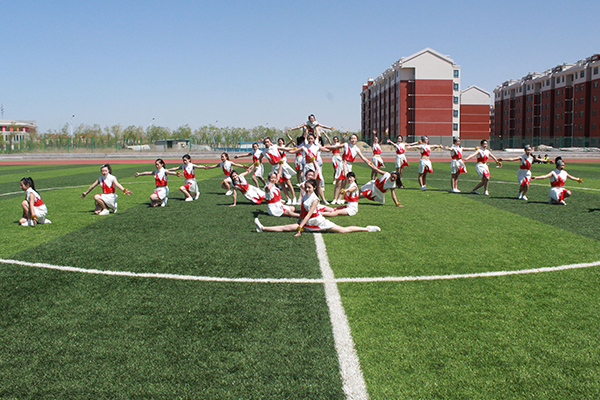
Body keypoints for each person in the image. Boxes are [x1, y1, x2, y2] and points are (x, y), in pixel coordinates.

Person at [254, 178, 380, 236]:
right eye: (306, 187)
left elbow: (309, 214)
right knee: (286, 227)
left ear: (314, 188)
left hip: (318, 222)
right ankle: (263, 228)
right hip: (307, 223)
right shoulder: (304, 196)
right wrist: (300, 223)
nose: (307, 189)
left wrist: (300, 228)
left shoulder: (315, 199)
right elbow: (303, 213)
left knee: (343, 230)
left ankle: (367, 229)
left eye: (309, 187)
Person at [325, 133, 372, 204]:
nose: (353, 140)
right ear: (349, 139)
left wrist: (369, 162)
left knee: (344, 182)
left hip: (348, 165)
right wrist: (324, 147)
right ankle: (335, 199)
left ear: (357, 140)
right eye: (352, 138)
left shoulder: (357, 149)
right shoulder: (346, 145)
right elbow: (336, 146)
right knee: (338, 182)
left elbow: (363, 157)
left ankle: (339, 199)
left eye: (354, 138)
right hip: (342, 163)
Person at [262, 137, 298, 205]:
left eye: (268, 141)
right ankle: (288, 199)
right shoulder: (264, 151)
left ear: (270, 142)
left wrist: (294, 148)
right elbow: (259, 158)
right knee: (281, 184)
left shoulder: (275, 147)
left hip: (282, 165)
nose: (266, 143)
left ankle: (294, 198)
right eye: (265, 142)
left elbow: (284, 149)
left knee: (288, 183)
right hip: (275, 167)